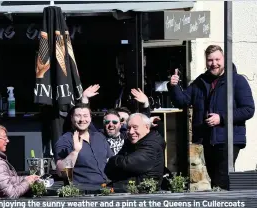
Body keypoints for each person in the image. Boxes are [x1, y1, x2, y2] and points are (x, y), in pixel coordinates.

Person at [168, 45, 255, 189]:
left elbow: (248, 110)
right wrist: (174, 86)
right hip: (207, 140)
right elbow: (182, 101)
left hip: (229, 139)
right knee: (215, 180)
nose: (214, 63)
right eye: (210, 60)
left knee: (221, 180)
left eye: (217, 59)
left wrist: (221, 118)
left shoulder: (237, 81)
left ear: (224, 59)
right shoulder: (200, 81)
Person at [54, 103, 114, 185]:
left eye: (85, 116)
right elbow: (60, 172)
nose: (82, 119)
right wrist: (75, 152)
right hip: (83, 190)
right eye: (78, 116)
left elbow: (111, 161)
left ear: (90, 118)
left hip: (106, 187)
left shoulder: (99, 137)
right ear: (71, 118)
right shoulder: (65, 140)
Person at [104, 113, 165, 187]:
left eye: (135, 127)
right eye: (129, 128)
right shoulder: (131, 143)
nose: (131, 132)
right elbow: (110, 170)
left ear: (146, 127)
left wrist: (112, 160)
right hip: (126, 189)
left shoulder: (152, 144)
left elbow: (128, 163)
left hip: (142, 193)